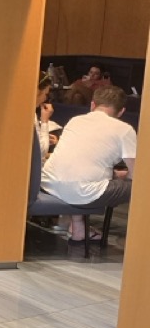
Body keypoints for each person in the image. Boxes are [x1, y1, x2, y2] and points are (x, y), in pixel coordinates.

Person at [41, 85, 136, 243]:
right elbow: (135, 174)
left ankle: (77, 227)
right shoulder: (125, 130)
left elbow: (80, 162)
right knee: (140, 186)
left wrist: (113, 174)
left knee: (83, 179)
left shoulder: (75, 121)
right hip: (82, 193)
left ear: (93, 105)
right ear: (121, 112)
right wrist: (123, 176)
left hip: (49, 184)